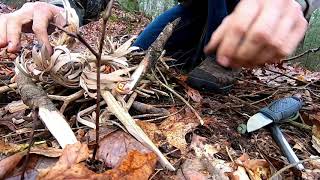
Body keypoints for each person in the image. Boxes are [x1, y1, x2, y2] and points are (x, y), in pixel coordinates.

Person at [0, 0, 318, 91]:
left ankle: (222, 59)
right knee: (143, 54)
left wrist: (295, 2)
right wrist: (58, 7)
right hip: (193, 10)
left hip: (244, 10)